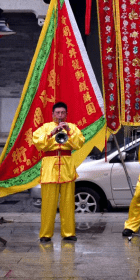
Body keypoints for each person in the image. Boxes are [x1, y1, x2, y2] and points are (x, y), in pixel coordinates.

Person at [33, 101, 85, 242]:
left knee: (68, 203)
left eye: (63, 113)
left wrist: (68, 131)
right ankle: (45, 234)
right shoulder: (45, 128)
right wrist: (51, 133)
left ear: (67, 114)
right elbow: (38, 143)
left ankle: (69, 233)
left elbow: (79, 143)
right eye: (57, 113)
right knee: (48, 204)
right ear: (52, 114)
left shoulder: (72, 128)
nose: (60, 115)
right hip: (50, 167)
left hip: (67, 168)